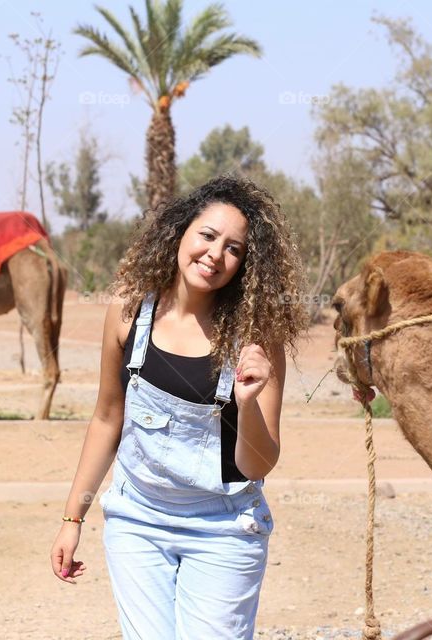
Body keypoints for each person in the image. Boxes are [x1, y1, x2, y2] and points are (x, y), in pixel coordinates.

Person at [50, 175, 308, 639]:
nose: (215, 254)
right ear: (180, 233)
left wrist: (246, 405)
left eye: (234, 248)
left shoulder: (256, 338)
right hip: (138, 519)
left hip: (225, 527)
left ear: (246, 264)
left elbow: (257, 464)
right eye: (207, 236)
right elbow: (108, 418)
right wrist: (73, 519)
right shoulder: (129, 311)